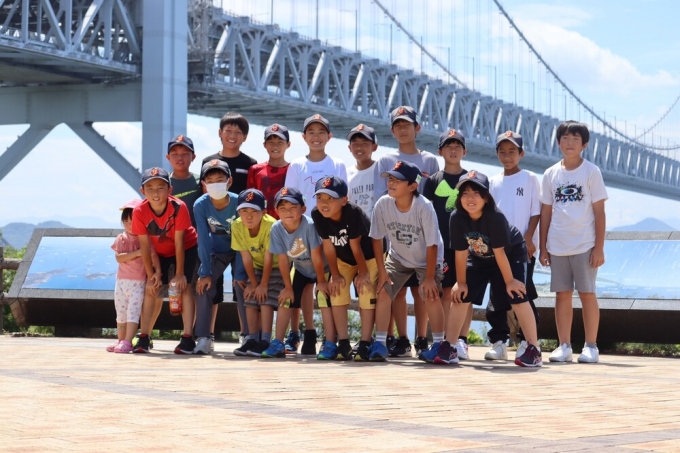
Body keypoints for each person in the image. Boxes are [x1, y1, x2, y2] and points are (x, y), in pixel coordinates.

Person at [443, 171, 542, 367]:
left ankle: (533, 349)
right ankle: (450, 346)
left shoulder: (495, 217)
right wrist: (461, 283)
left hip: (511, 253)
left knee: (517, 294)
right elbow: (461, 253)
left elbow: (500, 253)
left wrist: (510, 281)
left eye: (476, 193)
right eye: (465, 193)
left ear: (486, 198)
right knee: (461, 295)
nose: (470, 198)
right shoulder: (456, 218)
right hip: (480, 257)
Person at [374, 106, 441, 356]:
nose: (403, 129)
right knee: (392, 290)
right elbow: (378, 213)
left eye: (407, 124)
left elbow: (433, 201)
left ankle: (429, 341)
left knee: (424, 291)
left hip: (425, 245)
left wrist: (430, 274)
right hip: (399, 246)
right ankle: (392, 340)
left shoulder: (430, 162)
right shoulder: (384, 165)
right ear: (392, 130)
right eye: (398, 125)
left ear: (417, 128)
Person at [540, 120, 608, 364]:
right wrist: (543, 247)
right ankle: (564, 346)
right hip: (557, 244)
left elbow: (599, 212)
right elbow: (546, 213)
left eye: (575, 139)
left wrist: (599, 248)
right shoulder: (550, 173)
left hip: (584, 244)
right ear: (558, 142)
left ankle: (591, 346)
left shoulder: (591, 172)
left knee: (587, 294)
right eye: (565, 138)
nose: (569, 143)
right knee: (562, 295)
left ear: (584, 145)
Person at [368, 161, 446, 362]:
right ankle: (380, 343)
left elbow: (432, 245)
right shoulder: (383, 204)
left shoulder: (424, 207)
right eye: (390, 179)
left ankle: (440, 345)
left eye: (398, 180)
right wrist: (382, 272)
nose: (391, 183)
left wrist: (429, 278)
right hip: (398, 256)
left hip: (427, 258)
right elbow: (376, 238)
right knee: (383, 290)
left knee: (430, 294)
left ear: (413, 186)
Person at [284, 113, 347, 353]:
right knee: (299, 284)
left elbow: (344, 200)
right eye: (311, 132)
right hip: (302, 234)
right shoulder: (296, 165)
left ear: (330, 137)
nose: (316, 137)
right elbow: (289, 201)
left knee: (328, 286)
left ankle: (333, 338)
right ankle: (302, 333)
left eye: (321, 132)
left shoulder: (338, 164)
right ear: (303, 137)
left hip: (330, 235)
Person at [133, 134, 203, 350]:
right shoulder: (139, 211)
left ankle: (187, 337)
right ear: (142, 191)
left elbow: (180, 242)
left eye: (161, 187)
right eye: (150, 188)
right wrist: (152, 274)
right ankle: (144, 336)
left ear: (169, 189)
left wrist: (179, 273)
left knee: (186, 287)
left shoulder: (179, 207)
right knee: (151, 288)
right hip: (159, 251)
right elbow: (145, 245)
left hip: (187, 247)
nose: (156, 193)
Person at [483, 131, 541, 362]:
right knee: (497, 295)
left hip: (521, 249)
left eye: (512, 152)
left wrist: (529, 238)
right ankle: (499, 342)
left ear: (521, 154)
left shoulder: (530, 178)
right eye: (502, 152)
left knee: (522, 294)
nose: (507, 157)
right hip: (497, 250)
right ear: (497, 154)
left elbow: (536, 212)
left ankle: (529, 342)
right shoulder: (492, 182)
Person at [311, 176, 379, 361]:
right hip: (344, 258)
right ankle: (343, 342)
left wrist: (363, 273)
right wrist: (335, 275)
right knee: (337, 289)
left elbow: (356, 247)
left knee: (365, 289)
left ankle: (365, 342)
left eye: (330, 198)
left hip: (368, 256)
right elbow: (328, 247)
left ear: (344, 200)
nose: (324, 203)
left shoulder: (353, 212)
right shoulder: (317, 214)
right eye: (320, 198)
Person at [202, 112, 257, 341]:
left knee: (241, 284)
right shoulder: (208, 161)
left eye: (238, 132)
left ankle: (246, 335)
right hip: (217, 237)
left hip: (242, 235)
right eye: (228, 130)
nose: (232, 135)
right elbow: (204, 197)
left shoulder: (250, 164)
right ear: (219, 133)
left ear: (245, 137)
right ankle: (207, 335)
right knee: (211, 286)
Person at [262, 187, 332, 359]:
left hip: (323, 268)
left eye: (293, 207)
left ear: (303, 209)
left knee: (323, 297)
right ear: (276, 211)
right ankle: (278, 342)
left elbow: (316, 256)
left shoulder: (309, 225)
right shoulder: (276, 228)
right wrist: (287, 287)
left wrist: (321, 281)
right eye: (283, 208)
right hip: (300, 267)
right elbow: (283, 259)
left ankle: (330, 342)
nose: (288, 212)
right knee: (286, 298)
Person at [422, 129, 468, 359]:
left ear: (464, 151)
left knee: (464, 291)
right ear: (440, 151)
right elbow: (426, 213)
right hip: (440, 245)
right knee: (445, 292)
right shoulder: (432, 181)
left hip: (465, 244)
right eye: (448, 146)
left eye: (457, 146)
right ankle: (446, 340)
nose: (453, 150)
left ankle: (462, 341)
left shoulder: (471, 179)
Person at [192, 159, 240, 355]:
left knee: (243, 285)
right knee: (203, 287)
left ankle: (249, 336)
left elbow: (245, 239)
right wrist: (205, 271)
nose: (215, 184)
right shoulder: (200, 205)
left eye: (220, 180)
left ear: (229, 181)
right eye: (210, 181)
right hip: (216, 251)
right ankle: (204, 338)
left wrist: (241, 273)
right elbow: (203, 239)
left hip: (239, 251)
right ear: (204, 185)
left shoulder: (239, 202)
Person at [231, 189, 283, 357]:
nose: (249, 216)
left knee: (264, 298)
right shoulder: (237, 225)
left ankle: (265, 340)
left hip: (277, 265)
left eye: (254, 211)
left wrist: (263, 284)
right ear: (238, 212)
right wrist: (253, 283)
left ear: (264, 212)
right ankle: (252, 338)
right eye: (244, 211)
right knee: (250, 297)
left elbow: (269, 257)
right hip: (257, 266)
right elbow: (246, 257)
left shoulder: (271, 225)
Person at [108, 199, 159, 353]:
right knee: (121, 313)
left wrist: (157, 272)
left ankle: (128, 341)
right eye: (126, 221)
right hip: (121, 282)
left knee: (133, 313)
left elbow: (154, 256)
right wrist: (137, 253)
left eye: (133, 221)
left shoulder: (145, 239)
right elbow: (119, 258)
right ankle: (120, 339)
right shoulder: (121, 238)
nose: (130, 225)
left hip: (138, 283)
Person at [246, 123, 291, 219]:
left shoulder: (293, 169)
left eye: (280, 142)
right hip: (262, 222)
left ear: (288, 144)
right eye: (271, 142)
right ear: (264, 145)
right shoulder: (255, 170)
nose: (275, 146)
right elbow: (250, 200)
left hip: (287, 222)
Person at [347, 124, 378, 218]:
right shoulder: (346, 174)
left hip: (379, 225)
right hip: (356, 226)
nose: (359, 148)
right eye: (355, 144)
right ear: (350, 148)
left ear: (374, 147)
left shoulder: (382, 170)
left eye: (364, 144)